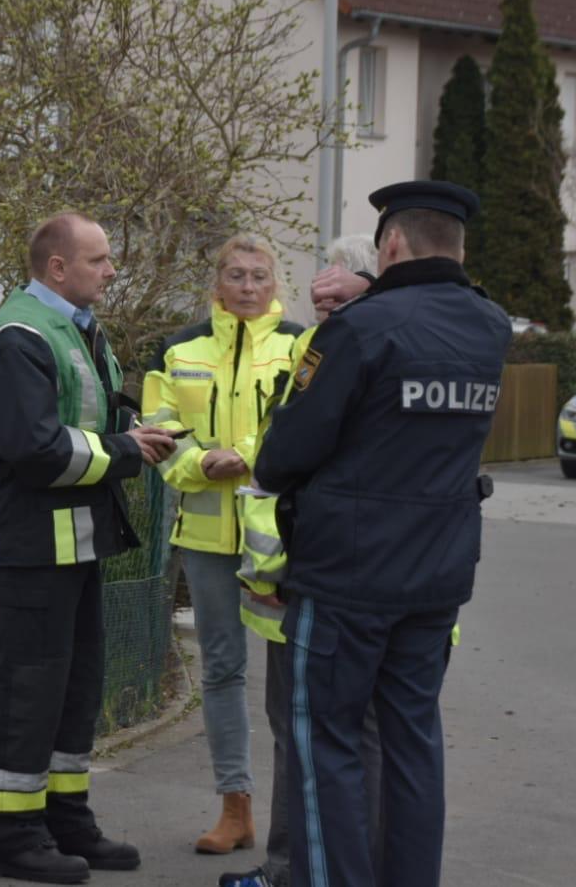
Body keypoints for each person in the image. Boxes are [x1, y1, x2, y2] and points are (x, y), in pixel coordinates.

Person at [254, 181, 511, 887]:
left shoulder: (361, 328)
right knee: (410, 742)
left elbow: (283, 457)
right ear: (457, 246)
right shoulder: (489, 327)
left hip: (346, 577)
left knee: (324, 745)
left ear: (389, 244)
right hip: (436, 574)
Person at [0, 212, 176, 885]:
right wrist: (125, 450)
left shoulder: (75, 329)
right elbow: (34, 450)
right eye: (99, 259)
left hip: (73, 545)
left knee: (71, 692)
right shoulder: (17, 336)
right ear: (57, 267)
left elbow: (95, 418)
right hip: (29, 548)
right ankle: (8, 838)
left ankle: (64, 821)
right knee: (24, 697)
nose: (112, 270)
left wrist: (146, 432)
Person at [217, 235, 374, 887]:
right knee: (346, 738)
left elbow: (282, 469)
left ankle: (293, 873)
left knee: (315, 736)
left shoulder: (333, 358)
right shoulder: (357, 351)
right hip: (356, 584)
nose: (325, 289)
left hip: (318, 585)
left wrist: (273, 569)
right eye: (321, 275)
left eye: (343, 279)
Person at [140, 234, 303, 857]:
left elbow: (305, 428)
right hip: (206, 538)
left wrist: (250, 457)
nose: (247, 286)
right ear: (217, 283)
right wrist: (199, 461)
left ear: (274, 282)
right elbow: (159, 429)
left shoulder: (299, 345)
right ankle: (235, 807)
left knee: (292, 673)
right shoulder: (179, 348)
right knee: (222, 670)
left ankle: (295, 811)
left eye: (259, 275)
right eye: (235, 274)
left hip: (281, 540)